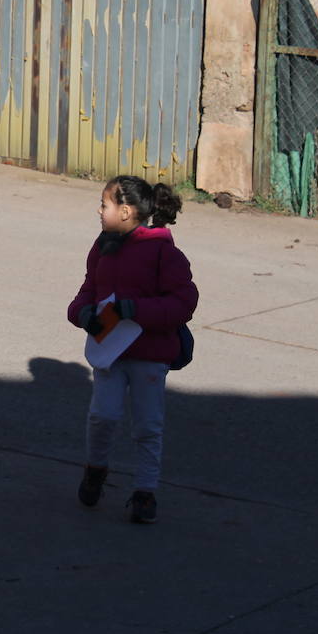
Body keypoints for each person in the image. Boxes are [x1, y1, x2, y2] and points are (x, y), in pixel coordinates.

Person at [66, 175, 198, 524]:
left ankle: (145, 491)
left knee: (147, 425)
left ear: (125, 211)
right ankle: (96, 469)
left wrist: (135, 310)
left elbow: (183, 303)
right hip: (109, 351)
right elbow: (88, 290)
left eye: (104, 204)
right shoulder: (103, 246)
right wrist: (81, 313)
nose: (99, 209)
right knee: (102, 416)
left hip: (151, 355)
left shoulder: (164, 252)